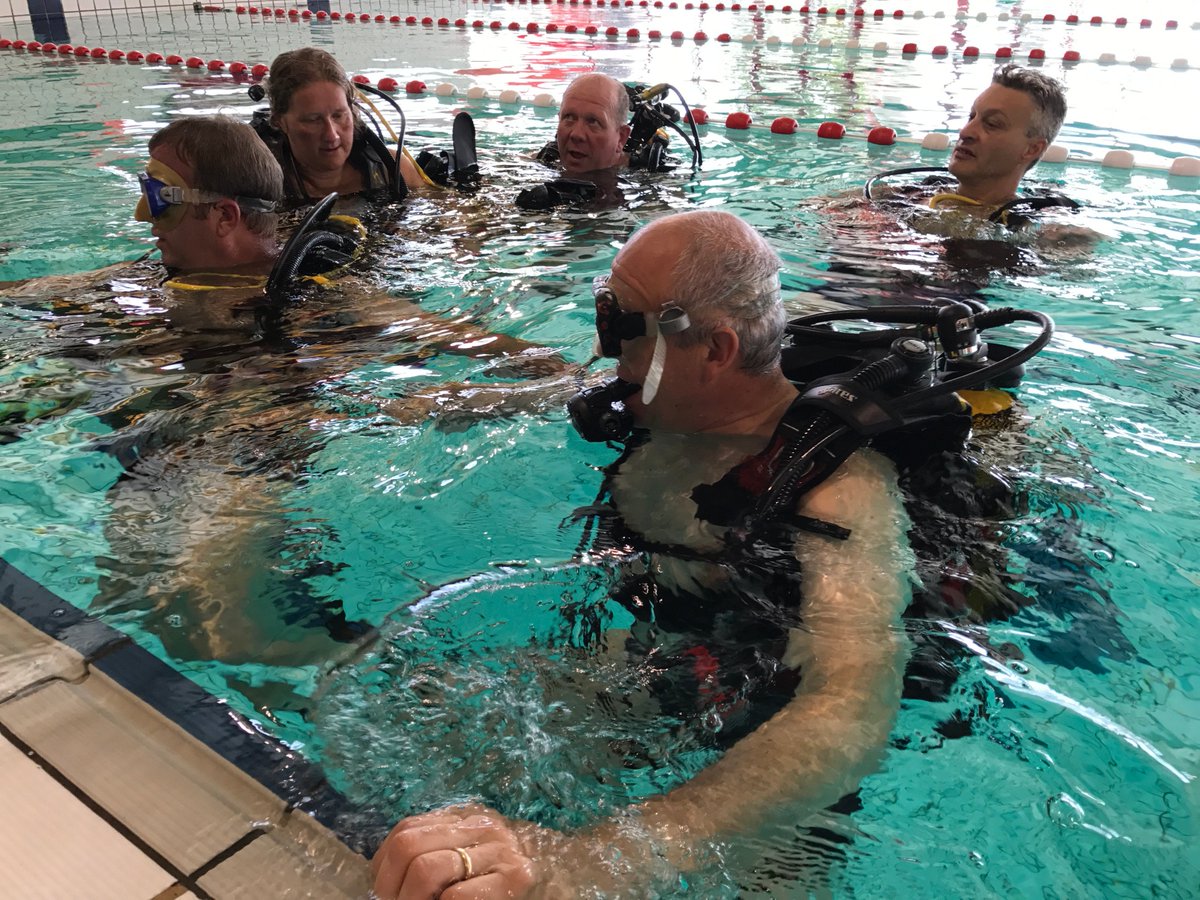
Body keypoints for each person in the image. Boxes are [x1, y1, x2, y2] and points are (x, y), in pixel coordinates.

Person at [369, 210, 914, 896]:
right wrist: (413, 406)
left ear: (715, 351)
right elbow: (539, 394)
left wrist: (598, 858)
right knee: (440, 706)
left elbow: (852, 705)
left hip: (772, 728)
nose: (603, 349)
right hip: (670, 666)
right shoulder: (661, 403)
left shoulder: (841, 491)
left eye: (622, 326)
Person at [256, 47, 427, 204]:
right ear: (280, 121)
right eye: (313, 119)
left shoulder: (393, 171)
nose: (332, 135)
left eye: (339, 115)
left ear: (352, 111)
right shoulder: (259, 185)